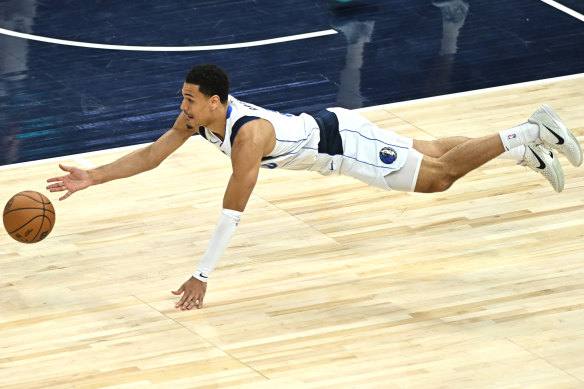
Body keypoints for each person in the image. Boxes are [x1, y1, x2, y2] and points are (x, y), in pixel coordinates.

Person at [46, 64, 583, 310]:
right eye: (182, 98)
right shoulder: (196, 122)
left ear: (216, 101)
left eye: (189, 99)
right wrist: (94, 176)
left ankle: (530, 129)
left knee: (438, 179)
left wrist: (202, 274)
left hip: (342, 147)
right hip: (336, 125)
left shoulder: (247, 137)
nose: (181, 107)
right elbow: (152, 155)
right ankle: (521, 151)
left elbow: (233, 209)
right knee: (437, 151)